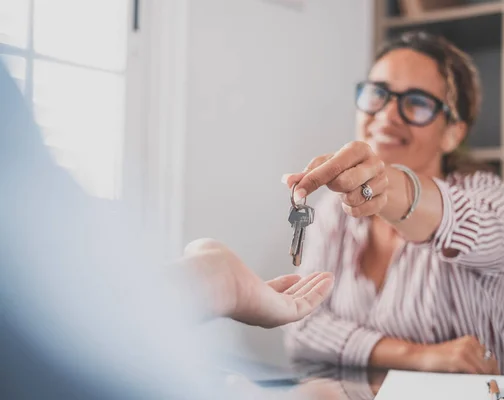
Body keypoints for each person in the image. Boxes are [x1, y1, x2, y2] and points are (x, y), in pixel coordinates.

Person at [0, 59, 334, 399]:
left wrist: (211, 281)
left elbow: (60, 301)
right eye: (374, 94)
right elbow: (50, 321)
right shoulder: (330, 213)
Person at [282, 30, 504, 376]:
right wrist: (416, 355)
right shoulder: (335, 211)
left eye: (417, 102)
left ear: (453, 132)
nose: (388, 114)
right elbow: (300, 324)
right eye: (378, 94)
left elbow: (462, 222)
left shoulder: (485, 196)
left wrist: (385, 183)